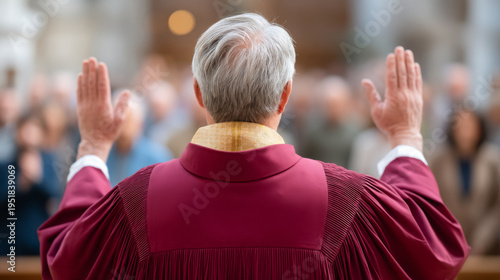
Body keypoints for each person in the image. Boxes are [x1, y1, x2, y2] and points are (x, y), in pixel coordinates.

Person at [38, 14, 469, 279]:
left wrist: (92, 146)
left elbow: (67, 261)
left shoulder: (138, 201)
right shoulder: (343, 201)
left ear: (199, 95)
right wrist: (407, 136)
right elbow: (433, 252)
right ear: (285, 96)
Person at [430, 110, 500, 255]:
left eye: (470, 126)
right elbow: (431, 201)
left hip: (486, 247)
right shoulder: (438, 160)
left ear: (480, 128)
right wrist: (447, 234)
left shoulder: (493, 160)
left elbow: (497, 206)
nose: (465, 132)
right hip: (446, 243)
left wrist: (482, 239)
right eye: (461, 126)